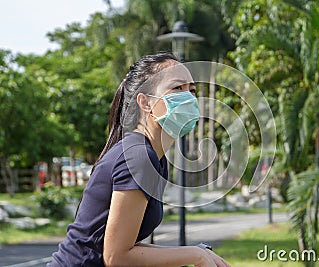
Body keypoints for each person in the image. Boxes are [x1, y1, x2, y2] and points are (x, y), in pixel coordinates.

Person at [47, 53, 231, 267]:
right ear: (145, 102)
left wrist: (195, 253)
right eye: (177, 89)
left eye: (191, 90)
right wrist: (194, 255)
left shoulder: (153, 157)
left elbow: (125, 247)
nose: (188, 98)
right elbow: (116, 257)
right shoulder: (139, 156)